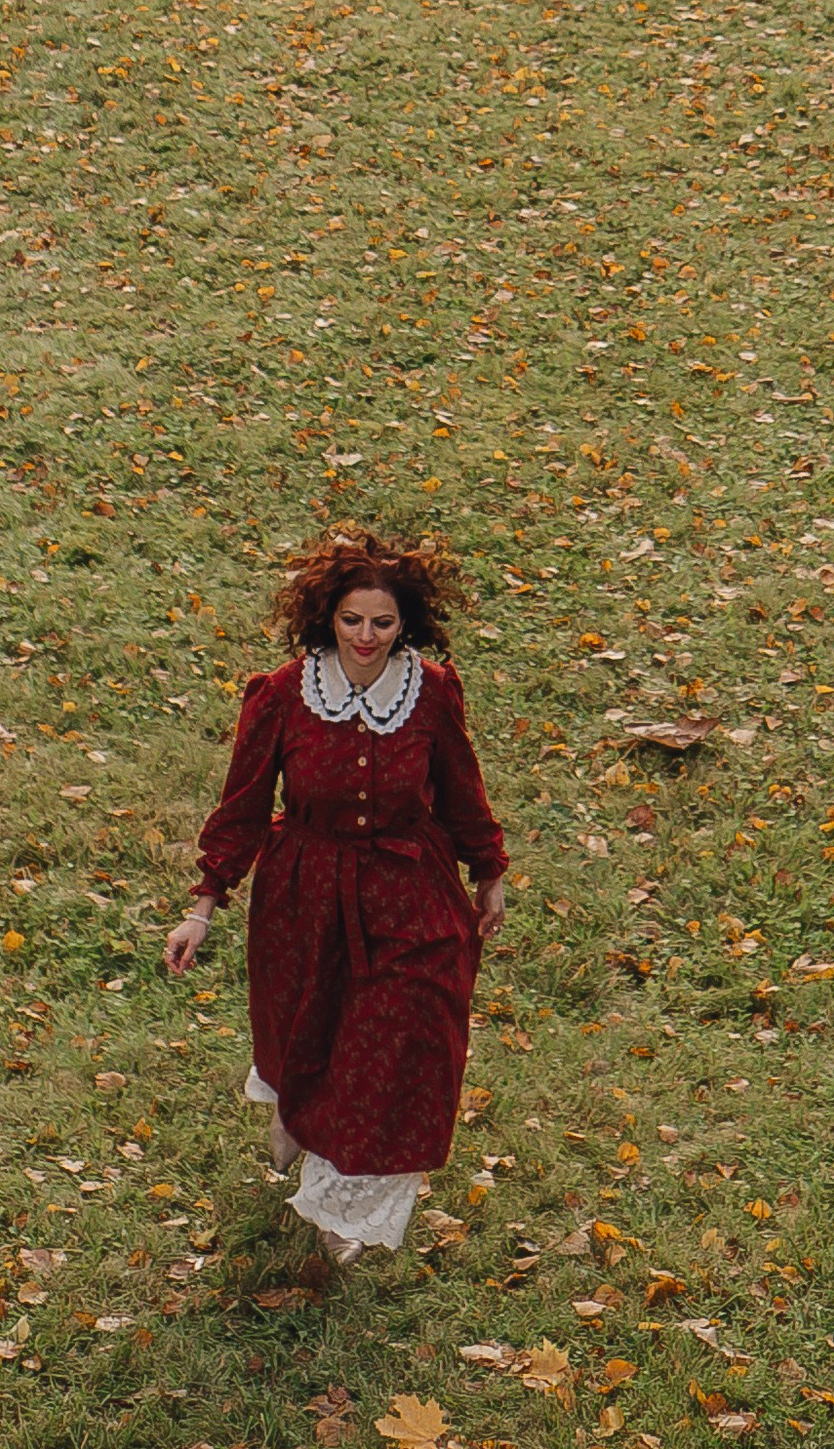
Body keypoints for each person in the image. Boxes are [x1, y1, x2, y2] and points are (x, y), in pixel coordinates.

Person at [163, 525, 509, 1266]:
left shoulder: (432, 692)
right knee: (313, 1039)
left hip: (411, 894)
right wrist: (204, 905)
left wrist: (489, 872)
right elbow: (244, 807)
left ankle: (344, 1207)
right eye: (352, 619)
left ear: (404, 623)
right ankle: (298, 1117)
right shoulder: (285, 695)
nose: (366, 635)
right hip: (305, 897)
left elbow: (462, 792)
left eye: (382, 622)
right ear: (329, 617)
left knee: (401, 1046)